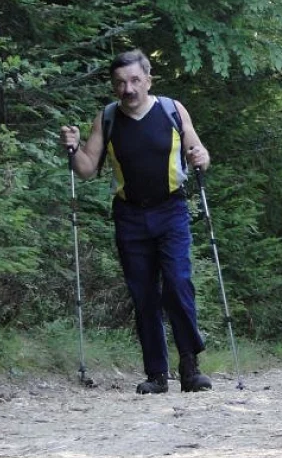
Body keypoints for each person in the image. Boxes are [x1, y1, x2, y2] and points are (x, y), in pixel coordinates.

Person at [60, 49, 213, 394]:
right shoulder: (108, 118)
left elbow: (199, 155)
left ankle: (190, 364)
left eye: (133, 80)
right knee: (143, 293)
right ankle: (156, 373)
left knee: (177, 283)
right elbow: (86, 169)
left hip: (171, 208)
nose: (127, 89)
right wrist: (72, 148)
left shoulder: (172, 110)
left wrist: (202, 156)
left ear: (148, 79)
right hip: (129, 214)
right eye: (119, 83)